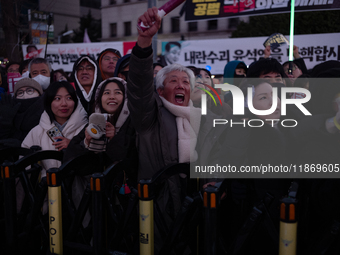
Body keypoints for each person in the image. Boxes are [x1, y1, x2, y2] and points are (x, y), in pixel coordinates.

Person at [22, 81, 87, 176]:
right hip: (46, 188)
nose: (64, 103)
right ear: (49, 102)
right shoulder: (36, 132)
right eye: (57, 98)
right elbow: (25, 167)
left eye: (69, 98)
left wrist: (73, 146)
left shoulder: (86, 129)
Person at [0, 78, 44, 147]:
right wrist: (5, 121)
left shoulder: (48, 114)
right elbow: (3, 141)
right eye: (20, 92)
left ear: (39, 93)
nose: (25, 95)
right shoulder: (12, 114)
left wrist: (23, 145)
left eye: (29, 90)